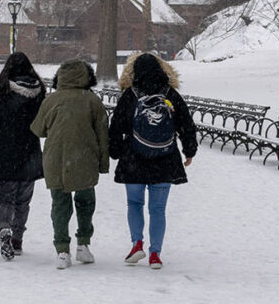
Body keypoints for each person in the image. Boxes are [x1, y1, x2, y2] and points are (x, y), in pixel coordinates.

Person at [109, 52, 198, 271]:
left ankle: (137, 243)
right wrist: (189, 150)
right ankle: (155, 254)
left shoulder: (130, 95)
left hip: (134, 159)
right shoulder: (171, 94)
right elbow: (186, 123)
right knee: (158, 209)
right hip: (165, 158)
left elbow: (115, 127)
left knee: (135, 204)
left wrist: (116, 151)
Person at [30, 58, 108, 270]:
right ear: (87, 77)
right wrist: (103, 164)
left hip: (55, 158)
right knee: (85, 201)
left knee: (60, 205)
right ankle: (83, 244)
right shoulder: (93, 101)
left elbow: (38, 129)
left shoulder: (51, 100)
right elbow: (102, 134)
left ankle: (62, 250)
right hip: (85, 157)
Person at [0, 53, 46, 261]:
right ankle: (17, 238)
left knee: (5, 197)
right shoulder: (39, 92)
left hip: (4, 151)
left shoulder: (1, 90)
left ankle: (4, 228)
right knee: (23, 200)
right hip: (30, 152)